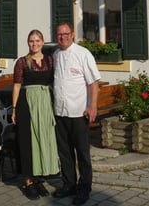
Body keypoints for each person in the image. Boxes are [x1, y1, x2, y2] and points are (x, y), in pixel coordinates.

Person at [52, 22, 101, 206]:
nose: (63, 37)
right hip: (60, 112)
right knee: (64, 153)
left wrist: (93, 106)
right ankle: (69, 184)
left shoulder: (83, 54)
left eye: (66, 33)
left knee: (82, 153)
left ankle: (85, 188)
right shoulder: (55, 55)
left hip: (79, 112)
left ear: (72, 34)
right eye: (59, 34)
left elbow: (93, 82)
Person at [12, 29, 59, 201]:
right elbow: (17, 85)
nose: (35, 44)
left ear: (43, 42)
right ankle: (28, 181)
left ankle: (38, 178)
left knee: (42, 139)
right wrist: (14, 108)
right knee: (27, 141)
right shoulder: (22, 62)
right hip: (27, 103)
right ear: (28, 43)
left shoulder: (50, 60)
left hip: (45, 103)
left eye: (37, 41)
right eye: (32, 41)